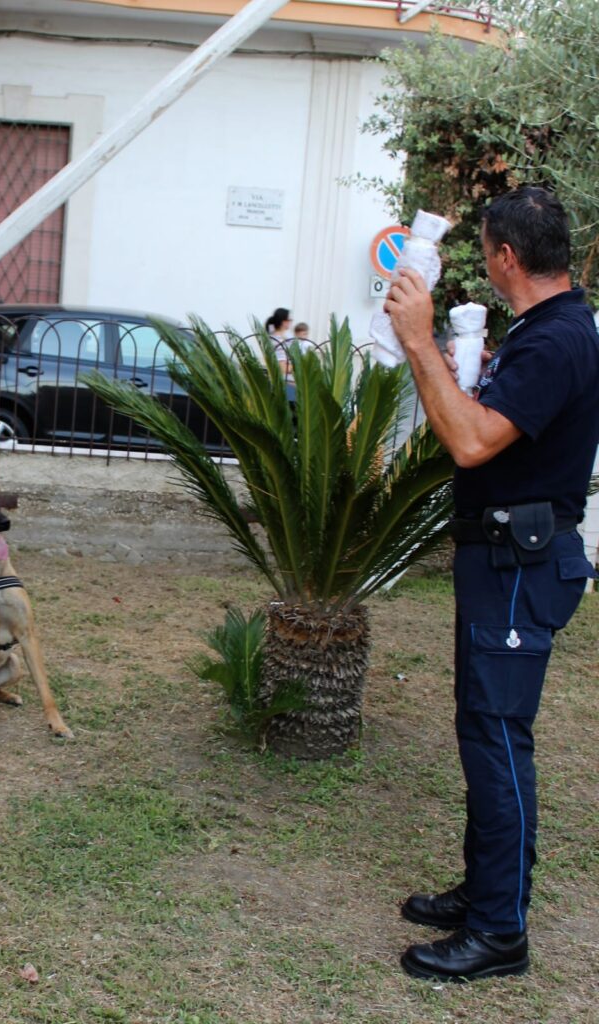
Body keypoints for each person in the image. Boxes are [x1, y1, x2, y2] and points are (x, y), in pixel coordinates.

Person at [384, 185, 599, 983]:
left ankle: (500, 933)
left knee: (499, 739)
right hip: (505, 559)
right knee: (486, 731)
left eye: (483, 250)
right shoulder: (547, 331)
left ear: (506, 256)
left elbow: (472, 443)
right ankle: (486, 894)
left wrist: (416, 340)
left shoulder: (555, 341)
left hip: (520, 563)